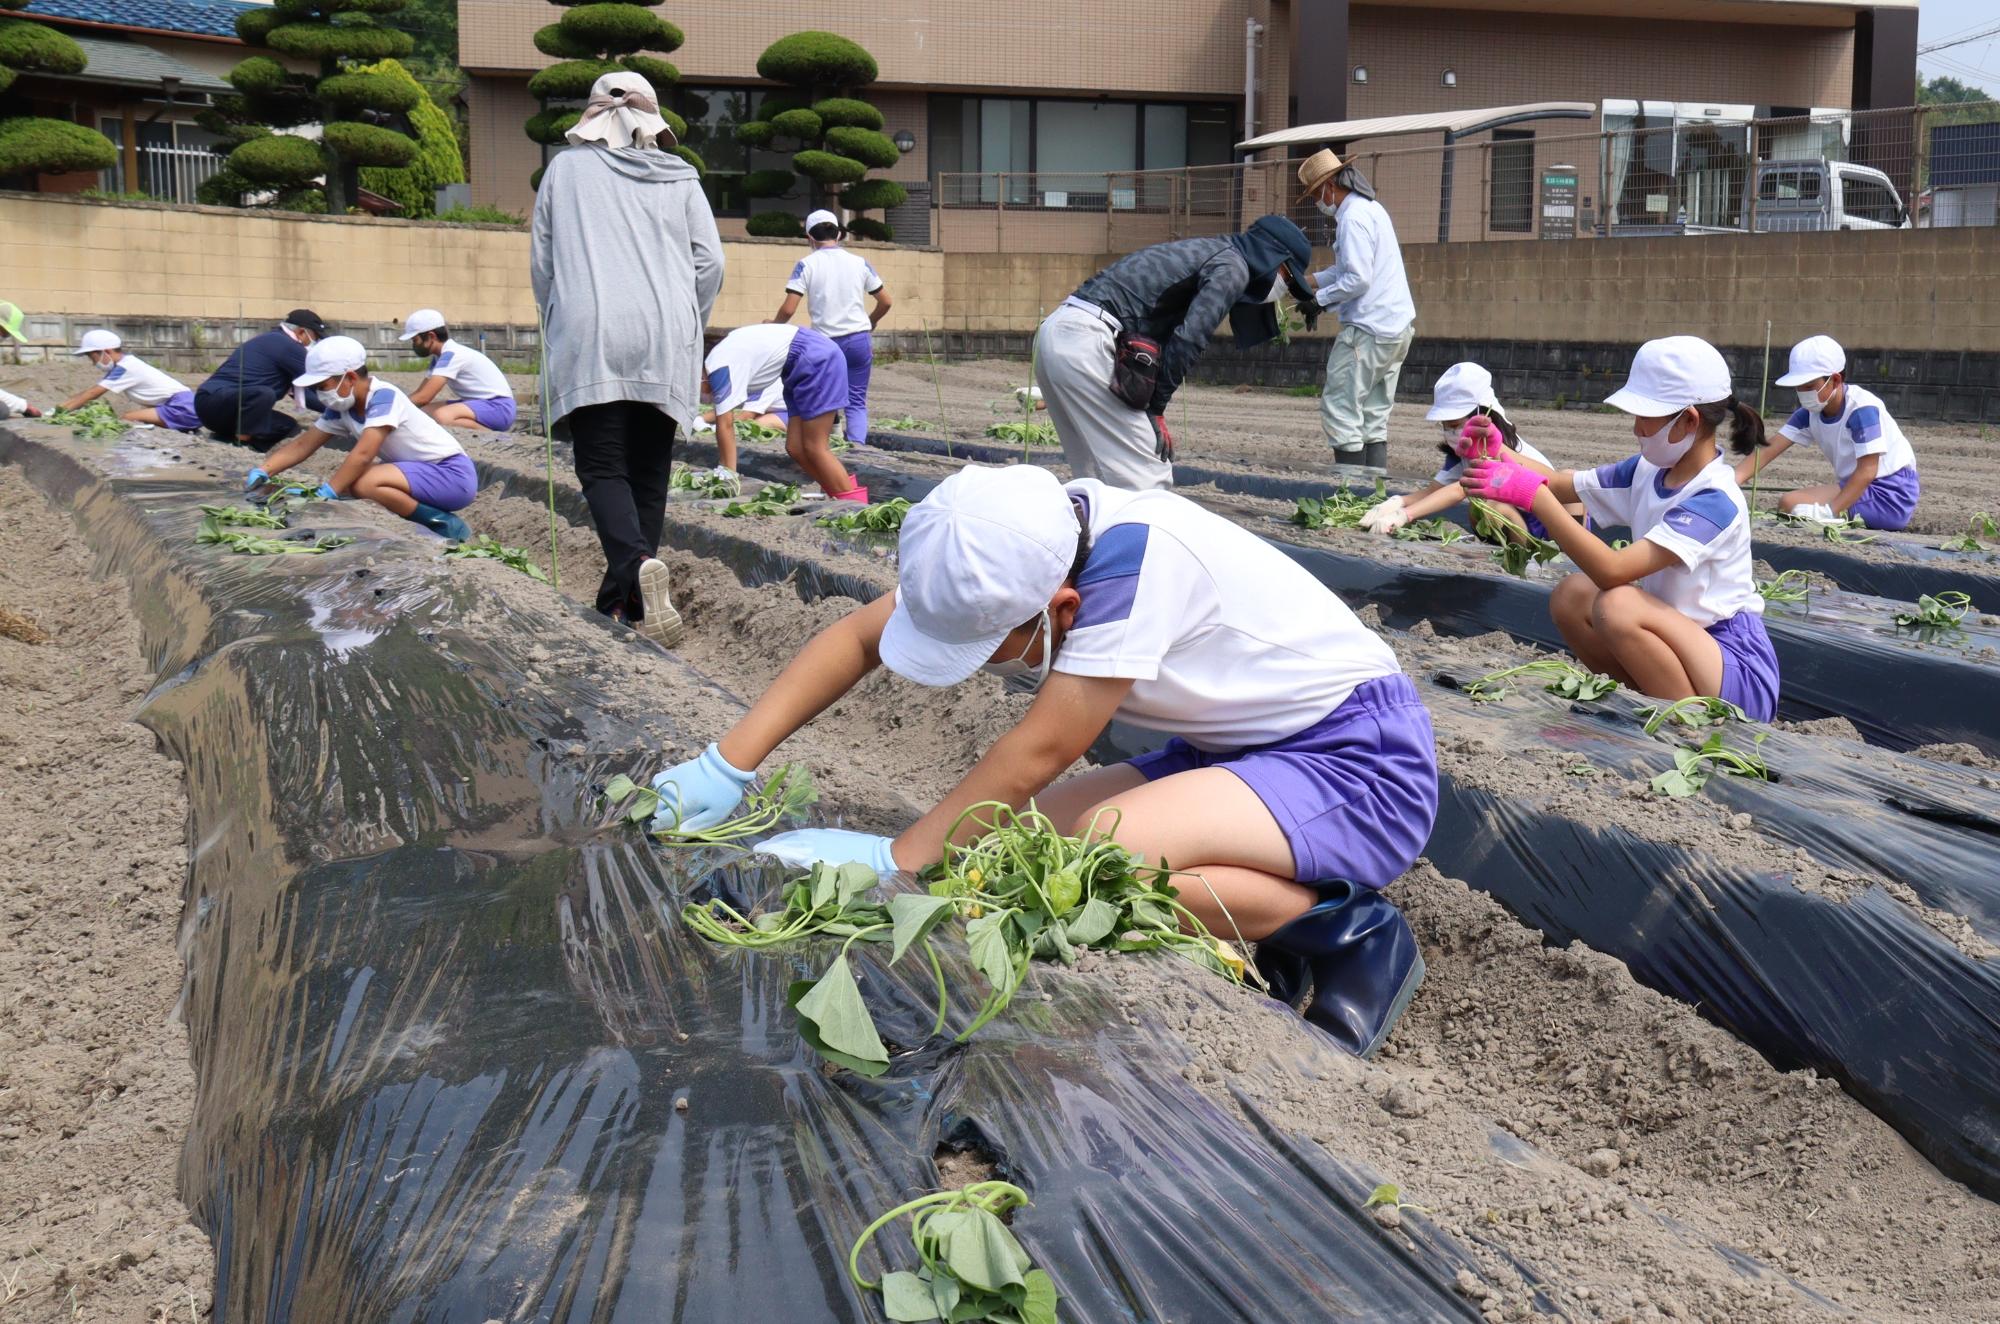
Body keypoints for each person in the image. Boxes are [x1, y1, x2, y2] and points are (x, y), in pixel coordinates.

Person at [648, 463, 1438, 1058]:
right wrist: (727, 765)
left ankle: (1350, 934)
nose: (988, 663)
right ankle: (1265, 923)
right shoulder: (1016, 544)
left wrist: (900, 859)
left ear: (1061, 610)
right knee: (1012, 856)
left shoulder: (1133, 567)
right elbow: (858, 637)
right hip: (1236, 753)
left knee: (1093, 852)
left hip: (1358, 765)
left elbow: (1041, 749)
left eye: (988, 651)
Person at [1463, 336, 1780, 721]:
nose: (1636, 428)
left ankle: (1687, 721)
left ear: (1689, 420)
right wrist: (1501, 452)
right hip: (1679, 643)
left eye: (1645, 417)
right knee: (1572, 595)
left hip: (1734, 666)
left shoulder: (1715, 499)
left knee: (1617, 603)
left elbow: (1612, 570)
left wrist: (1538, 501)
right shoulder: (1648, 470)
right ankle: (1647, 698)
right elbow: (1562, 483)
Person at [532, 70, 724, 645]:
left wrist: (559, 318)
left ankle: (635, 570)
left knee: (602, 466)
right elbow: (710, 263)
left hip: (592, 331)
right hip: (666, 332)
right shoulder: (681, 175)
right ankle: (622, 605)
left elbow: (544, 264)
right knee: (648, 471)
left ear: (592, 117)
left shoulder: (564, 171)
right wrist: (689, 323)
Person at [1034, 214, 1316, 490]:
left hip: (1058, 330)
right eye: (1289, 280)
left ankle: (1086, 535)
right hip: (1087, 340)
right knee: (1147, 477)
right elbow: (1190, 338)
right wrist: (1156, 409)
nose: (1286, 289)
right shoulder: (1233, 267)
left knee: (1093, 477)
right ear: (1274, 259)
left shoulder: (1208, 249)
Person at [245, 336, 477, 541]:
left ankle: (443, 524)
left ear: (350, 377)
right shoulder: (343, 407)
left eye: (322, 385)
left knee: (363, 482)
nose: (320, 393)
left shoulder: (384, 398)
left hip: (451, 475)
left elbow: (364, 453)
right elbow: (304, 444)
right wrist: (265, 470)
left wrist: (328, 492)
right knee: (352, 484)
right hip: (419, 472)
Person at [1359, 362, 1578, 541]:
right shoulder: (1462, 455)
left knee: (1489, 508)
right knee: (1482, 510)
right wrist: (1395, 502)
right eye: (1445, 426)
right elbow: (1432, 492)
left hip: (1546, 525)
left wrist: (1405, 515)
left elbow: (1459, 490)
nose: (1450, 433)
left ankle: (1524, 555)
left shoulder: (1500, 450)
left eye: (1455, 425)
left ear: (1484, 416)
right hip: (1520, 521)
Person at [1297, 148, 1416, 473]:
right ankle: (1373, 493)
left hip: (1368, 332)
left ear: (1329, 185)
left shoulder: (1352, 219)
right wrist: (1309, 282)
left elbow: (1358, 279)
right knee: (1374, 415)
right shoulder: (1371, 210)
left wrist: (1317, 301)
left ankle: (1350, 491)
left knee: (1340, 408)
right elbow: (1351, 268)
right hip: (1396, 329)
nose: (1316, 201)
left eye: (1314, 194)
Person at [1736, 334, 1920, 531]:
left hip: (1889, 495)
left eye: (1809, 387)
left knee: (1791, 505)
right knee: (1790, 504)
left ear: (1835, 379)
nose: (1803, 394)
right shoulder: (1810, 413)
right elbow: (1769, 449)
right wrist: (1730, 481)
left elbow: (1868, 470)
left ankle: (1839, 515)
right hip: (1862, 488)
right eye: (1798, 388)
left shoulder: (1861, 409)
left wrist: (1829, 512)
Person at [703, 323, 866, 502]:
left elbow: (725, 423)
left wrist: (728, 474)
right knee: (795, 447)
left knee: (815, 447)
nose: (703, 396)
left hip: (814, 358)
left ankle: (855, 507)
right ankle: (839, 494)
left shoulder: (718, 366)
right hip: (794, 367)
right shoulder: (721, 355)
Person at [771, 209, 891, 446]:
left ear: (810, 238)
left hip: (824, 343)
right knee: (856, 400)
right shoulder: (859, 262)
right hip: (858, 338)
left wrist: (773, 328)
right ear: (838, 234)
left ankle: (830, 445)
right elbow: (886, 301)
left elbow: (788, 309)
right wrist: (871, 321)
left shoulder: (806, 264)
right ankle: (858, 448)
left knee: (826, 396)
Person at [193, 309, 327, 450]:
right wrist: (343, 407)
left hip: (226, 411)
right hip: (215, 402)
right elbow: (318, 383)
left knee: (288, 427)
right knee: (263, 394)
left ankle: (231, 441)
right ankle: (241, 445)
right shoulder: (288, 345)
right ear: (301, 332)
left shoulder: (274, 341)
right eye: (315, 336)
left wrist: (331, 410)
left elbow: (305, 395)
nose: (315, 342)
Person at [395, 310, 518, 432]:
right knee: (423, 413)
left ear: (431, 336)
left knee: (442, 416)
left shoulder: (452, 355)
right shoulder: (440, 357)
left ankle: (492, 434)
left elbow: (424, 397)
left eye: (415, 340)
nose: (414, 345)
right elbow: (421, 393)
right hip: (478, 404)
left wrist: (394, 408)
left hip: (499, 408)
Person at [54, 330, 201, 432]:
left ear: (107, 351)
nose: (93, 363)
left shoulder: (125, 368)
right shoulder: (126, 365)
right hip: (188, 407)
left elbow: (92, 393)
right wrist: (57, 410)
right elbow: (88, 392)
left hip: (182, 408)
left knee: (126, 419)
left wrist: (57, 413)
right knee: (134, 418)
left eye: (93, 357)